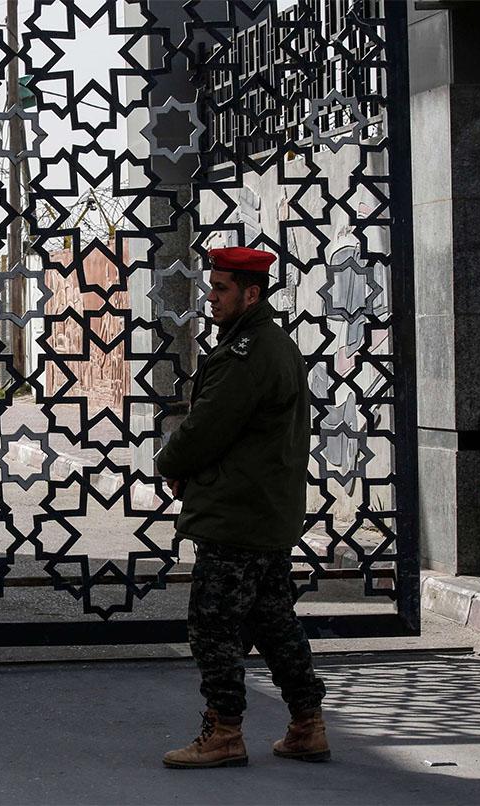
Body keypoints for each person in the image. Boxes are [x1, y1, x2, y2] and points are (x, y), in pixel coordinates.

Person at [157, 246, 328, 769]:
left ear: (251, 293)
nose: (211, 297)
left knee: (212, 626)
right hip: (263, 510)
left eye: (222, 288)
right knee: (274, 620)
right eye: (212, 287)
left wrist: (170, 462)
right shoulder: (267, 344)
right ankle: (308, 724)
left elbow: (208, 424)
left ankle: (224, 732)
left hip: (239, 513)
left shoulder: (248, 353)